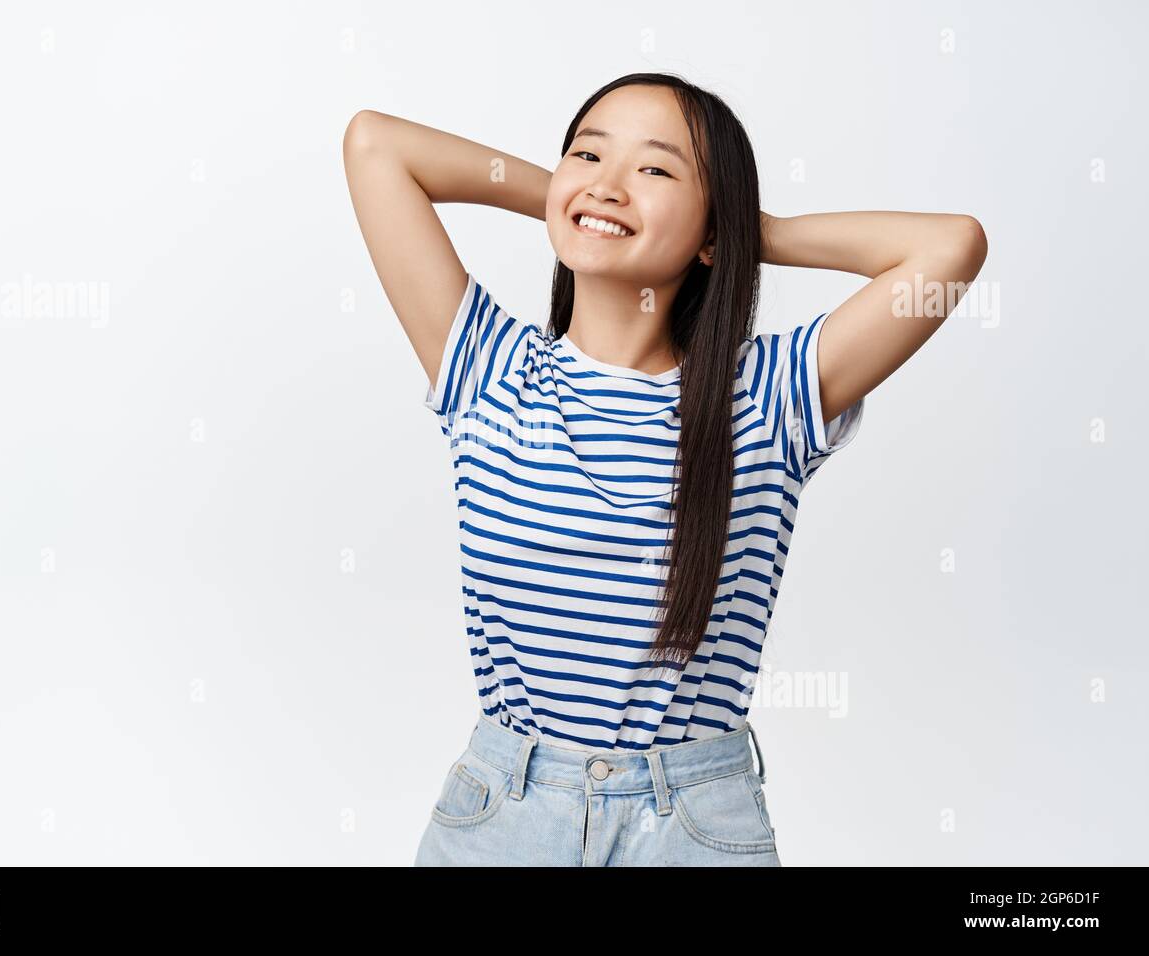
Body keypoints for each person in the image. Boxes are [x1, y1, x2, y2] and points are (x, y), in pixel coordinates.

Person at [342, 72, 987, 866]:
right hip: (504, 815)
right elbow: (376, 144)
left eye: (655, 169)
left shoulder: (765, 396)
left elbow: (950, 250)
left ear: (713, 234)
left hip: (690, 825)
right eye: (588, 152)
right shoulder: (487, 368)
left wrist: (748, 233)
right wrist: (581, 200)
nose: (611, 182)